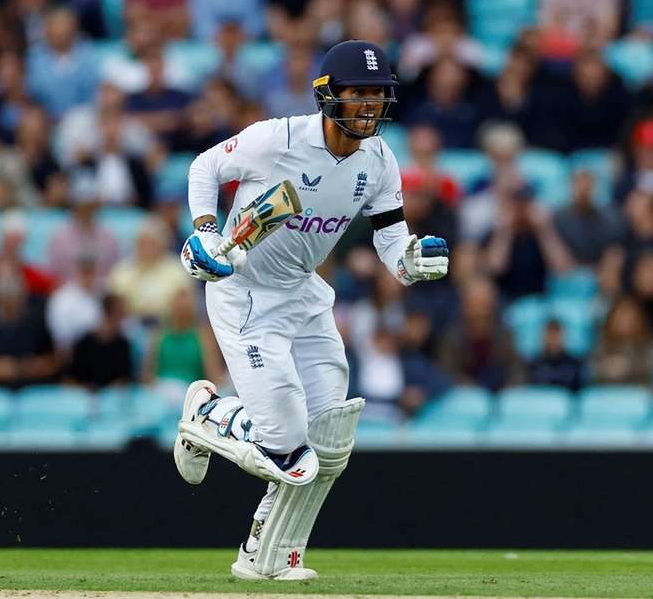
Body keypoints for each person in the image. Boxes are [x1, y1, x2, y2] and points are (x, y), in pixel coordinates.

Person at [175, 41, 449, 581]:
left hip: (303, 292)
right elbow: (205, 166)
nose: (369, 105)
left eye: (378, 94)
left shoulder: (380, 160)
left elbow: (392, 242)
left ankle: (264, 558)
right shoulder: (275, 139)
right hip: (245, 291)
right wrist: (206, 230)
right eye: (358, 94)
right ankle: (206, 415)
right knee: (282, 445)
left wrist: (412, 261)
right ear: (328, 96)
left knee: (325, 444)